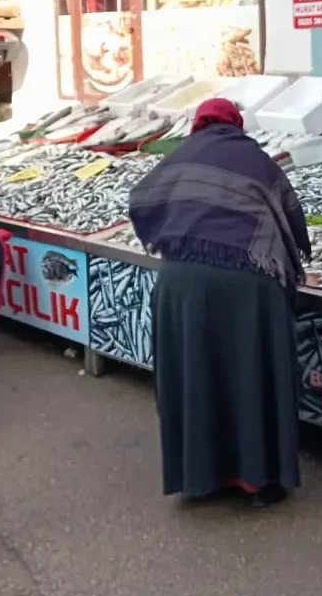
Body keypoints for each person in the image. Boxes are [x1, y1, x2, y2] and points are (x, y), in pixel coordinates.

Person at [128, 97, 311, 508]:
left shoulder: (177, 159)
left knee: (195, 374)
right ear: (235, 124)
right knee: (252, 375)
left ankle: (200, 478)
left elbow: (141, 201)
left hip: (183, 285)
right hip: (250, 286)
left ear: (198, 124)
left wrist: (174, 234)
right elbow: (290, 217)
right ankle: (258, 481)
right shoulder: (257, 160)